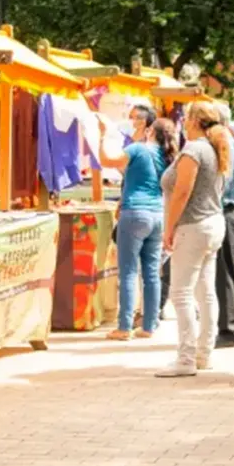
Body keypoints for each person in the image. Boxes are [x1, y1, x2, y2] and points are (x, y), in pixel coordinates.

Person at [157, 102, 230, 377]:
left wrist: (169, 227)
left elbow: (182, 191)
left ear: (194, 120)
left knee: (181, 293)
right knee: (204, 291)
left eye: (186, 117)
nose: (182, 122)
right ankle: (203, 353)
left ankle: (185, 358)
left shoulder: (194, 150)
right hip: (212, 224)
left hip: (193, 226)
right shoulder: (215, 148)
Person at [98, 107, 176, 341]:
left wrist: (102, 136)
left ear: (149, 130)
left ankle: (124, 327)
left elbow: (107, 161)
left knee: (129, 272)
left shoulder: (137, 148)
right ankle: (149, 326)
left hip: (134, 213)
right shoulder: (167, 155)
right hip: (157, 215)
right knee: (152, 274)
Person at [213, 103, 234, 348]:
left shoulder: (223, 146)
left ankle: (230, 329)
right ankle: (231, 326)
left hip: (224, 211)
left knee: (224, 273)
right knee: (229, 272)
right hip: (233, 214)